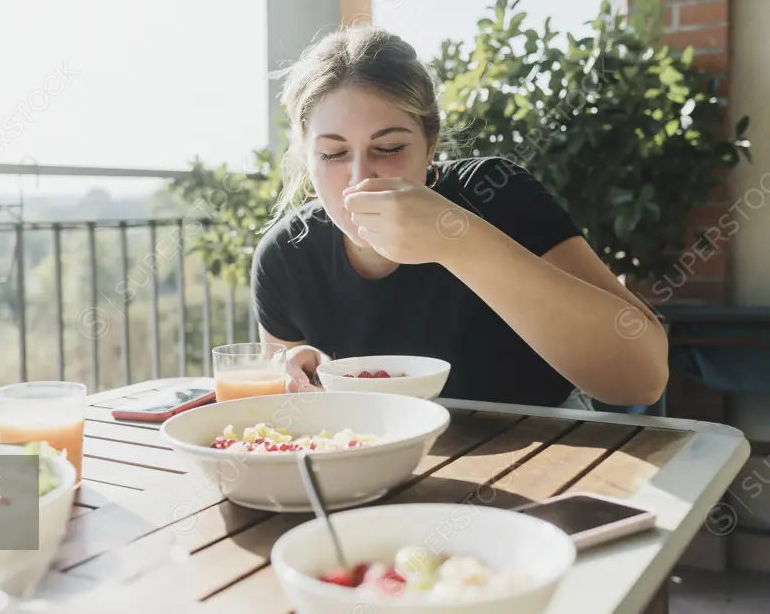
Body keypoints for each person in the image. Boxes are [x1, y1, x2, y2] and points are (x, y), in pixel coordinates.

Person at [251, 25, 668, 409]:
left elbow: (643, 379)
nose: (361, 178)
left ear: (430, 147)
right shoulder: (286, 257)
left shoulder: (494, 194)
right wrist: (305, 371)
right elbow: (296, 419)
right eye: (333, 154)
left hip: (544, 454)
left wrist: (457, 240)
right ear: (307, 161)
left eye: (391, 148)